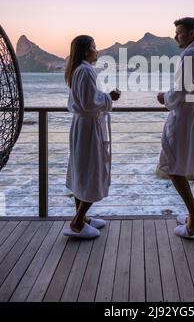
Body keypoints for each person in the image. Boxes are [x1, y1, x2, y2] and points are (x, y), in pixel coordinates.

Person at [157, 17, 194, 240]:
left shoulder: (191, 55)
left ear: (192, 33)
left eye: (180, 32)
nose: (176, 36)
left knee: (174, 166)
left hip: (187, 115)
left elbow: (182, 90)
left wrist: (165, 98)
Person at [63, 35, 120, 239]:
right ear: (86, 50)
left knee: (82, 170)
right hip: (88, 128)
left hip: (81, 126)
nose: (98, 50)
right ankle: (77, 222)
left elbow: (84, 101)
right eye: (94, 47)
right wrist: (109, 97)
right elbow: (89, 102)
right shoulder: (86, 71)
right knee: (94, 171)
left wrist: (102, 98)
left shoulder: (77, 70)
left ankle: (83, 218)